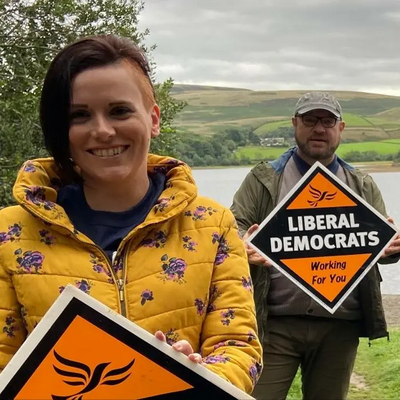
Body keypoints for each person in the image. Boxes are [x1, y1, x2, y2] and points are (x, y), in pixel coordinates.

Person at [0, 34, 262, 394]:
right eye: (80, 115)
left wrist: (200, 374)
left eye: (119, 111)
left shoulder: (212, 223)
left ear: (153, 119)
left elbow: (238, 347)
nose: (103, 131)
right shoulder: (9, 233)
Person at [230, 91, 400, 400]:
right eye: (309, 120)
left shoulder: (361, 184)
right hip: (274, 325)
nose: (318, 128)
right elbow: (233, 226)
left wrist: (394, 247)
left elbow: (378, 246)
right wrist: (242, 242)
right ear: (295, 124)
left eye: (327, 121)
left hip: (340, 327)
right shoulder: (264, 177)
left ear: (341, 128)